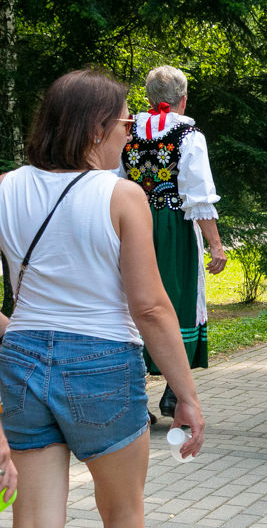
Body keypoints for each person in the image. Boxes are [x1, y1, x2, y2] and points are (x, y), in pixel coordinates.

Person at [0, 69, 205, 526]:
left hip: (22, 359)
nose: (129, 134)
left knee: (32, 518)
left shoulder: (4, 188)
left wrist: (16, 332)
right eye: (125, 124)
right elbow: (150, 307)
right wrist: (186, 395)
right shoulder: (122, 196)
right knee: (121, 513)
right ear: (95, 128)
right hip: (102, 359)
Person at [120, 65, 226, 423]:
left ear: (149, 98)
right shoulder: (189, 134)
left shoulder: (127, 130)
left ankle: (139, 400)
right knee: (175, 301)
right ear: (183, 99)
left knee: (132, 303)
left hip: (130, 221)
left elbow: (113, 180)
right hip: (173, 227)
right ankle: (173, 394)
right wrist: (215, 244)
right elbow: (198, 197)